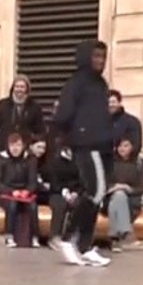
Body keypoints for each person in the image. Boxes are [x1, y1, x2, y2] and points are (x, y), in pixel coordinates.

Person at [49, 39, 113, 268]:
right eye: (95, 56)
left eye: (103, 57)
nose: (100, 61)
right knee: (94, 191)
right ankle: (68, 238)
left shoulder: (101, 84)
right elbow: (63, 115)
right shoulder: (76, 83)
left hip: (102, 145)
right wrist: (65, 140)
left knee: (98, 194)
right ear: (87, 57)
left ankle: (84, 246)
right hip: (86, 144)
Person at [0, 75, 45, 240]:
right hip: (4, 152)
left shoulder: (34, 108)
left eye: (22, 87)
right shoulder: (3, 105)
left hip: (23, 154)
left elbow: (40, 131)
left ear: (27, 90)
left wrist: (33, 147)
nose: (19, 90)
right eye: (17, 86)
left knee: (26, 192)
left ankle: (27, 233)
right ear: (13, 88)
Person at [0, 133, 38, 248]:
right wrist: (11, 191)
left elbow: (33, 181)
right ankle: (9, 236)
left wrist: (27, 191)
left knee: (32, 206)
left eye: (18, 145)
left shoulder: (30, 159)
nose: (15, 149)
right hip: (6, 193)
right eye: (12, 145)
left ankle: (34, 236)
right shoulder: (1, 159)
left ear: (23, 146)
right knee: (12, 205)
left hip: (24, 193)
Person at [104, 137, 143, 252]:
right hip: (110, 197)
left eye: (126, 146)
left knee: (119, 198)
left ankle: (114, 238)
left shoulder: (139, 163)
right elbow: (103, 184)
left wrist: (128, 189)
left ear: (132, 147)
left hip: (132, 200)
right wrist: (115, 188)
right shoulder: (109, 163)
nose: (122, 149)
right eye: (120, 146)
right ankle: (126, 233)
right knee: (118, 195)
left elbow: (142, 188)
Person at [108, 90, 143, 156]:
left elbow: (136, 145)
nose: (110, 105)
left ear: (119, 102)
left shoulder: (132, 122)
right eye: (107, 102)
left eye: (113, 102)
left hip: (125, 163)